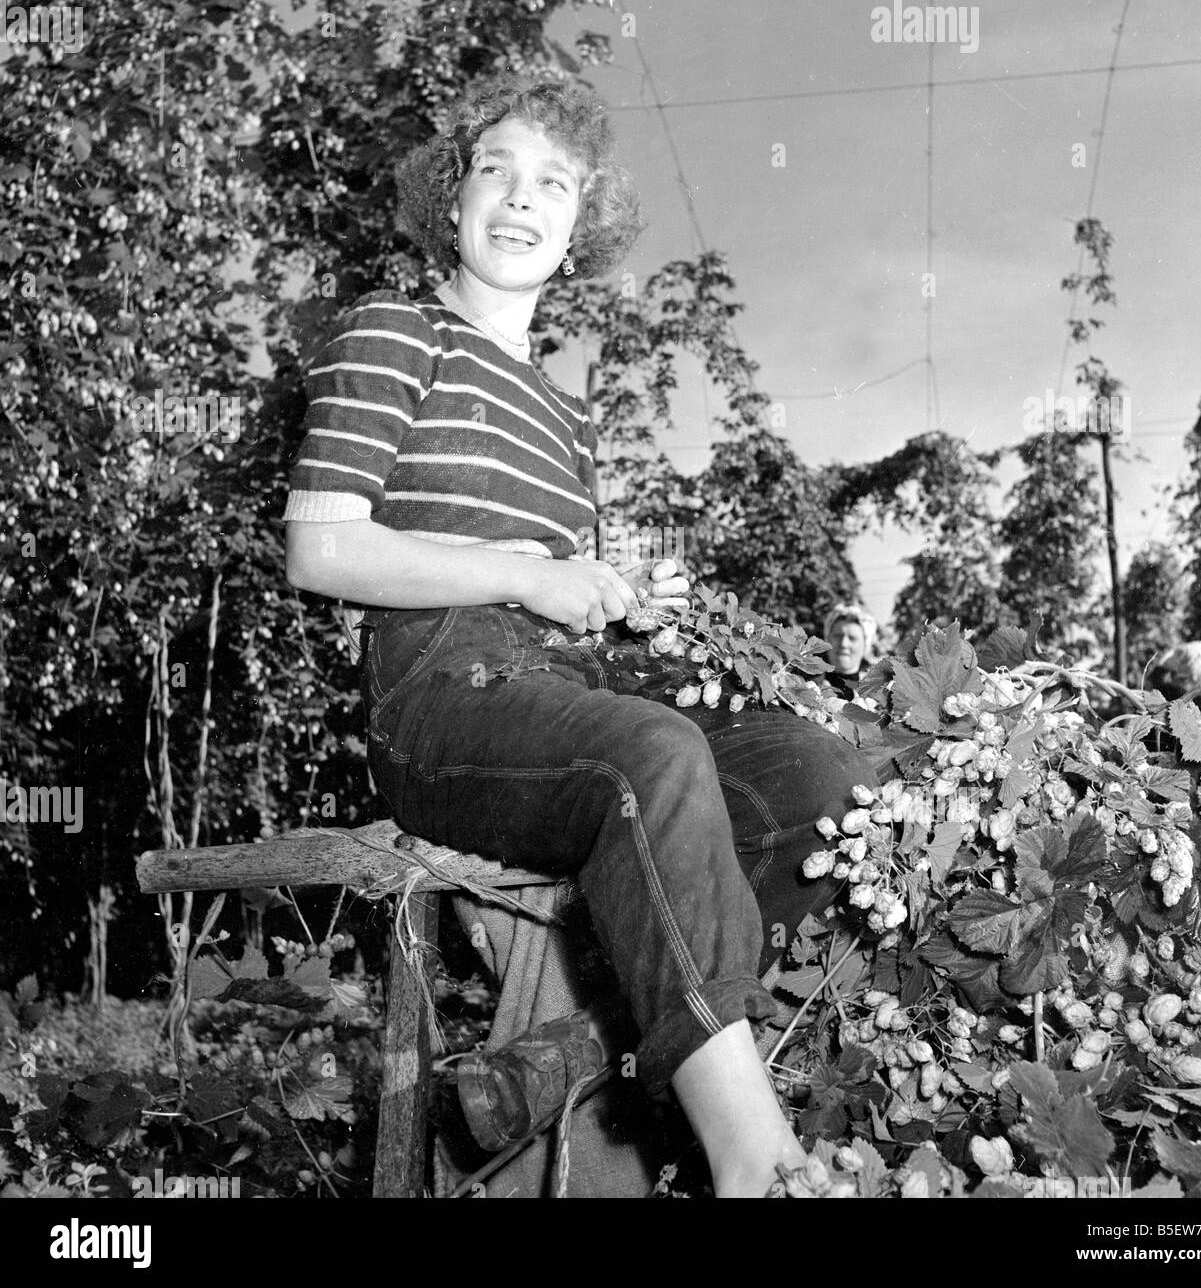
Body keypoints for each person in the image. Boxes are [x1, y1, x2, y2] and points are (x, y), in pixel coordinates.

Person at [284, 73, 876, 1198]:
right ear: (448, 197)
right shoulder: (391, 331)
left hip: (567, 678)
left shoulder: (567, 417)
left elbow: (560, 588)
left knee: (819, 778)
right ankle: (762, 1170)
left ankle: (616, 1034)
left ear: (579, 224)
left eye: (552, 182)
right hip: (439, 689)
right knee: (647, 756)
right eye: (494, 169)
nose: (520, 199)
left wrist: (613, 597)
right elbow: (321, 548)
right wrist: (532, 578)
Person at [820, 601, 879, 695]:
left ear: (865, 645)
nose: (844, 644)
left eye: (852, 638)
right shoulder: (808, 689)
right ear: (828, 639)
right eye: (838, 636)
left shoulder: (876, 697)